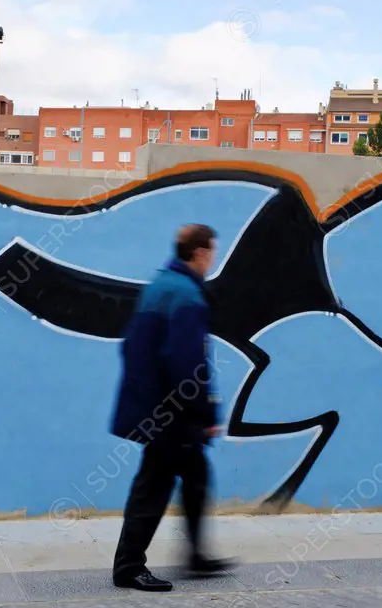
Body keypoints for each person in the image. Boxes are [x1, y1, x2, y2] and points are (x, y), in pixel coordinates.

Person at [109, 223, 235, 592]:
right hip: (171, 413)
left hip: (159, 406)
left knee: (195, 477)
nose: (213, 259)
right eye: (212, 251)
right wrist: (204, 413)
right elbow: (188, 363)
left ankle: (196, 555)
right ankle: (129, 567)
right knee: (153, 487)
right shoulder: (186, 296)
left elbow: (132, 347)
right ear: (199, 253)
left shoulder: (161, 287)